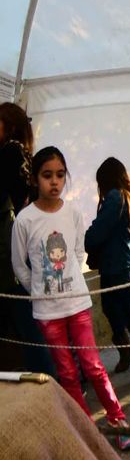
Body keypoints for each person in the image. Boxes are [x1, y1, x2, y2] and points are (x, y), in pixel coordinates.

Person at [11, 146, 130, 450]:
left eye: (59, 175)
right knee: (66, 371)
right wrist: (42, 292)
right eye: (46, 176)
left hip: (78, 305)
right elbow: (20, 266)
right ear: (35, 178)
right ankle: (86, 431)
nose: (54, 182)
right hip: (47, 311)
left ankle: (118, 420)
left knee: (93, 365)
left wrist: (67, 284)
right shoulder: (24, 220)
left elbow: (79, 253)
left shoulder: (73, 213)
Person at [84, 157, 130, 386]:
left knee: (125, 312)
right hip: (118, 263)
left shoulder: (115, 197)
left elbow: (97, 232)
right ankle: (127, 351)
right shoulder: (127, 196)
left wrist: (88, 238)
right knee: (113, 310)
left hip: (116, 265)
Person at [0, 102, 56, 377]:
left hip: (13, 257)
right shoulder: (24, 155)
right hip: (27, 251)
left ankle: (52, 384)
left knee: (29, 325)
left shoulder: (9, 152)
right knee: (33, 324)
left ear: (8, 126)